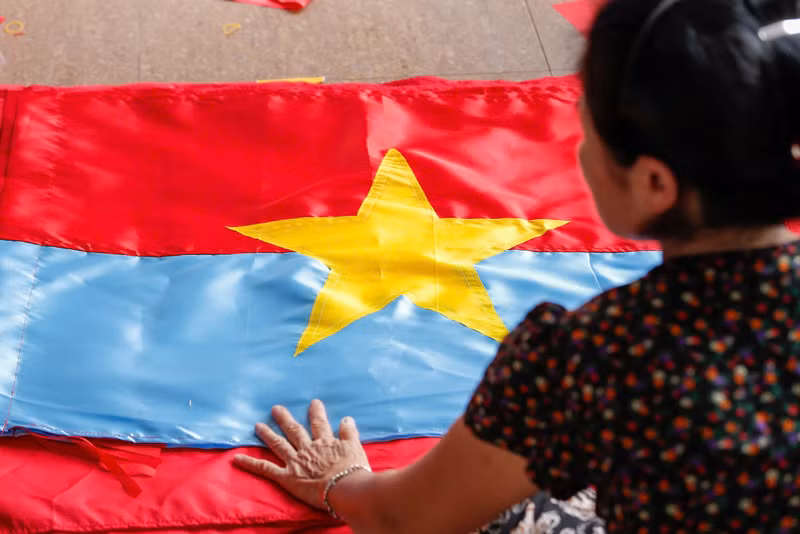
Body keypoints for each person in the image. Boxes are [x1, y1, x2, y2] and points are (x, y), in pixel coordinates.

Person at [233, 0, 800, 531]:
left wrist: (341, 481)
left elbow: (407, 519)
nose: (579, 151)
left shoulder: (592, 358)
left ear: (655, 184)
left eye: (588, 132)